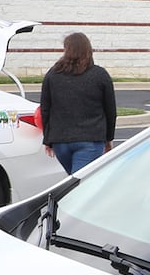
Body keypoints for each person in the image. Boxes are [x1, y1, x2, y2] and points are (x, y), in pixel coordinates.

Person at [39, 32, 117, 174]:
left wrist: (48, 139)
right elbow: (110, 111)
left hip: (60, 141)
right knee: (80, 185)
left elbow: (45, 109)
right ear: (88, 50)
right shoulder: (100, 75)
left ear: (67, 50)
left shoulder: (53, 74)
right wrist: (108, 138)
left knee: (74, 181)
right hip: (91, 139)